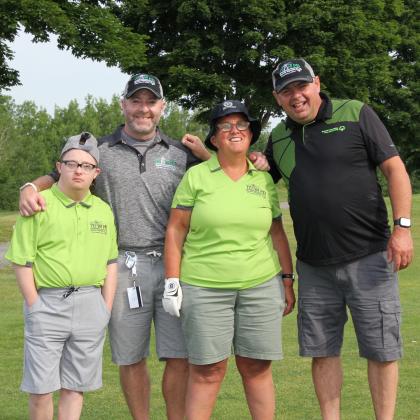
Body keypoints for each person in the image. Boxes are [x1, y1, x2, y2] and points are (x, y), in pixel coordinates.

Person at [18, 74, 211, 420]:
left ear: (161, 108)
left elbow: (222, 173)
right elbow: (59, 172)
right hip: (122, 268)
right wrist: (30, 187)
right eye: (135, 101)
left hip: (174, 266)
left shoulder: (181, 153)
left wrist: (226, 156)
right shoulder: (100, 151)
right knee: (130, 356)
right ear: (123, 104)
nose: (143, 109)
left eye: (150, 102)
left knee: (179, 356)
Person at [262, 58, 413, 419]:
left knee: (381, 350)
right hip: (314, 267)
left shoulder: (355, 112)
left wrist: (403, 228)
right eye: (286, 91)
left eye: (301, 86)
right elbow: (249, 178)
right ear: (277, 98)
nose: (296, 96)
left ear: (316, 83)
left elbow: (395, 168)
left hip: (371, 257)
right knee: (322, 352)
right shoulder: (279, 137)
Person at [164, 100, 295, 419]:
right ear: (213, 138)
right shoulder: (196, 177)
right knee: (208, 371)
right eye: (225, 126)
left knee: (257, 367)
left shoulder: (263, 180)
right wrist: (172, 281)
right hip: (204, 287)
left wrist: (287, 281)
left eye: (241, 125)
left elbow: (277, 234)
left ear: (250, 135)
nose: (234, 131)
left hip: (260, 287)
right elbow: (175, 231)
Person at [6, 133, 118, 420]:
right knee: (41, 389)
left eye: (86, 166)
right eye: (71, 163)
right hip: (48, 305)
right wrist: (34, 304)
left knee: (75, 387)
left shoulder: (103, 211)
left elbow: (110, 262)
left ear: (96, 173)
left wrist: (105, 307)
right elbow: (22, 261)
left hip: (90, 304)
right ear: (59, 167)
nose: (78, 170)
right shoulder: (38, 204)